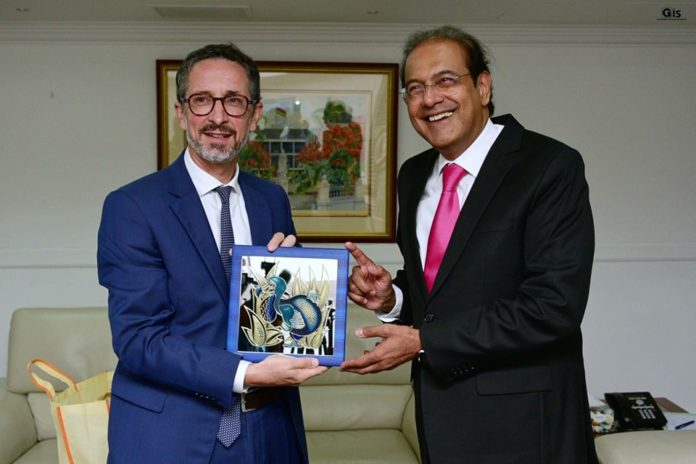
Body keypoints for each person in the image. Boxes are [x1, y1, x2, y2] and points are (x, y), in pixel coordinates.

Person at [341, 26, 598, 464]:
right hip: (439, 420)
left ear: (482, 86)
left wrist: (424, 341)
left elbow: (553, 306)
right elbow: (442, 293)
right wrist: (392, 298)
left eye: (445, 80)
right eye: (415, 88)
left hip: (524, 427)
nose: (430, 99)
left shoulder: (549, 166)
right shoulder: (413, 174)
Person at [97, 43, 326, 464]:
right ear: (181, 112)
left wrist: (314, 289)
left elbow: (281, 317)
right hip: (169, 435)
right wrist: (246, 373)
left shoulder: (271, 200)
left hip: (271, 430)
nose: (217, 117)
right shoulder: (132, 206)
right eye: (202, 100)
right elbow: (137, 338)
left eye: (234, 101)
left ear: (254, 115)